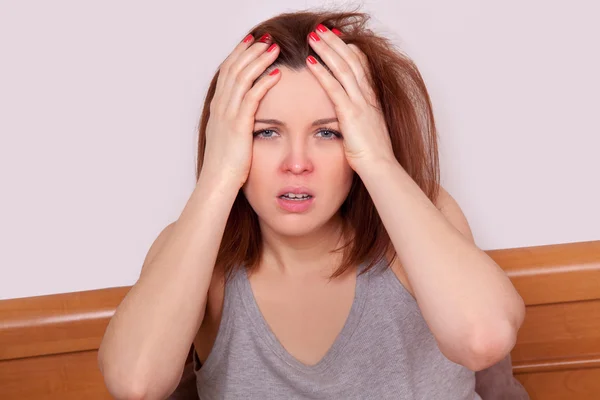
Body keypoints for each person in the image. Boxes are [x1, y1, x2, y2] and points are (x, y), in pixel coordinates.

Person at [98, 8, 529, 400]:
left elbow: (483, 338)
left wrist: (378, 161)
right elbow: (135, 383)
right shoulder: (196, 254)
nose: (297, 164)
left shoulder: (422, 216)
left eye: (328, 133)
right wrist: (218, 176)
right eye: (266, 132)